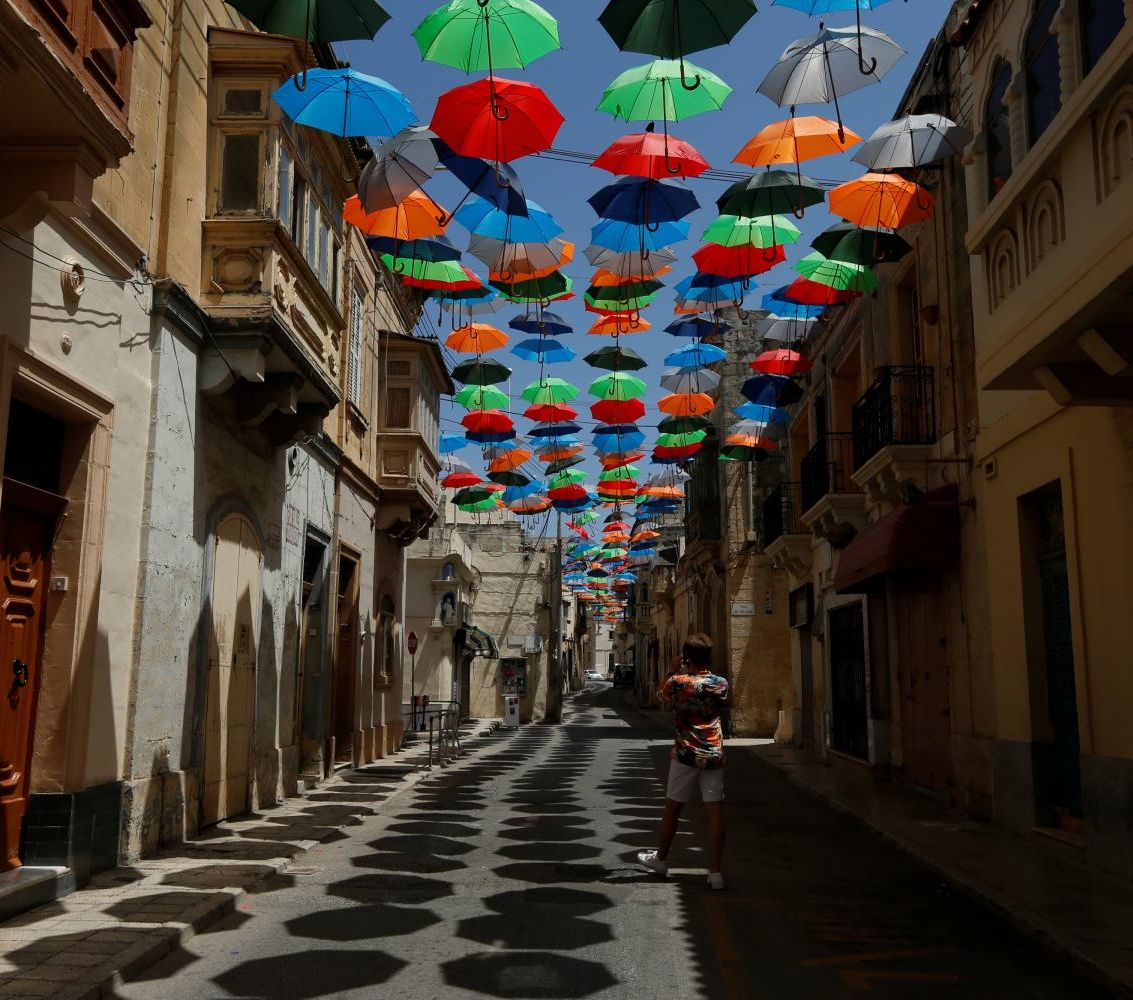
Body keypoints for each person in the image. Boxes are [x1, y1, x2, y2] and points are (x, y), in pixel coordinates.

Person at [637, 633, 729, 890]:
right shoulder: (720, 683)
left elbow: (660, 697)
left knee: (673, 808)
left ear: (687, 656)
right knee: (715, 811)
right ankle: (715, 872)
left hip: (686, 752)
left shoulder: (677, 682)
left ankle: (662, 859)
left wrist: (671, 669)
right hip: (713, 752)